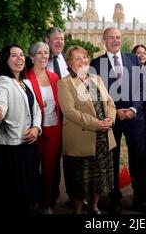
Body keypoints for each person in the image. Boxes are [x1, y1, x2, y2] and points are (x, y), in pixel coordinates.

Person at [91, 29, 146, 214]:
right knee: (112, 159)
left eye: (118, 37)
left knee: (140, 158)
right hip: (110, 119)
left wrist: (133, 109)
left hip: (134, 118)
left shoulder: (134, 59)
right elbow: (95, 95)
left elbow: (141, 88)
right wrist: (113, 113)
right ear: (104, 41)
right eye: (111, 38)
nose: (116, 40)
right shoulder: (96, 64)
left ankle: (140, 199)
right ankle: (114, 200)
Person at [57, 46, 116, 214]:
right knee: (79, 180)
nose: (83, 60)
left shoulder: (97, 79)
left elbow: (110, 102)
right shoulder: (65, 83)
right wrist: (96, 124)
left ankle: (94, 207)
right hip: (81, 138)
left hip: (103, 137)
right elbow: (69, 111)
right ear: (69, 62)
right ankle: (76, 210)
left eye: (84, 57)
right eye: (77, 58)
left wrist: (110, 119)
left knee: (98, 176)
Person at [0, 44, 42, 215]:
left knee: (28, 191)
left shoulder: (26, 82)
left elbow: (36, 110)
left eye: (21, 55)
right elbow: (0, 103)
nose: (19, 58)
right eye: (13, 55)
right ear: (6, 60)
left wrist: (36, 128)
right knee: (12, 198)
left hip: (29, 145)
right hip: (11, 149)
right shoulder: (2, 81)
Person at [25, 42, 62, 214]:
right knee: (31, 167)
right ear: (32, 57)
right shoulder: (25, 78)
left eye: (46, 53)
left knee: (49, 169)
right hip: (34, 130)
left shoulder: (55, 77)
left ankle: (46, 203)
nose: (44, 56)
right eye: (39, 53)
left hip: (54, 129)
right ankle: (30, 200)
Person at [132, 44, 146, 201]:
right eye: (138, 53)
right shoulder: (128, 73)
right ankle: (137, 188)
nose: (141, 55)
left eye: (144, 53)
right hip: (135, 116)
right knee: (136, 154)